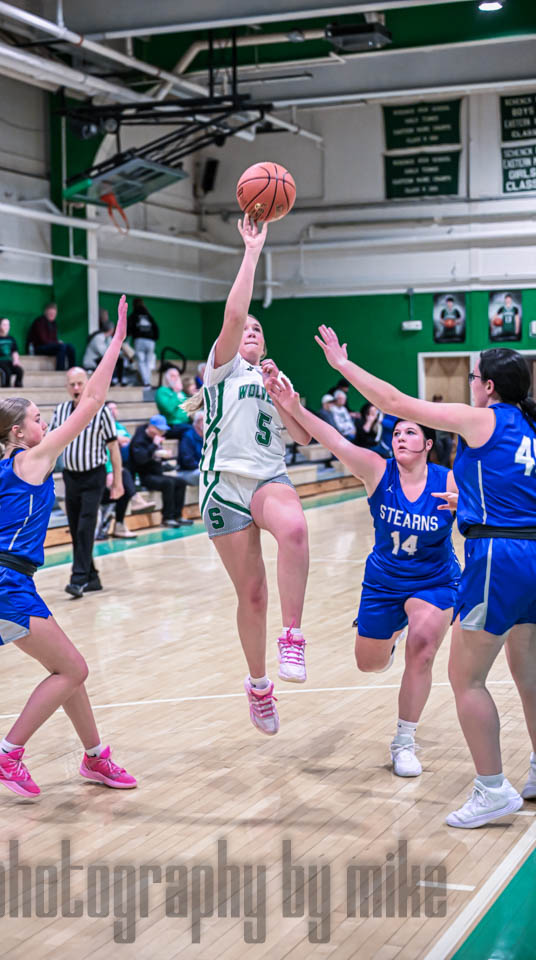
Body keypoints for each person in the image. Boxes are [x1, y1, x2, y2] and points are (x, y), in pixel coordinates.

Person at [316, 325, 536, 828]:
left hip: (498, 559)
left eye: (474, 377)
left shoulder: (484, 418)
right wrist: (473, 501)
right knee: (529, 674)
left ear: (489, 386)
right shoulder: (531, 428)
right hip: (533, 552)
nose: (471, 384)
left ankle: (491, 788)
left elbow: (395, 401)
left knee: (466, 678)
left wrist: (343, 366)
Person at [0, 295, 136, 798]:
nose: (44, 423)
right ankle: (6, 753)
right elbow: (91, 402)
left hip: (5, 581)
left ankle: (95, 757)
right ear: (17, 432)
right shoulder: (30, 459)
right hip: (1, 583)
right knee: (74, 668)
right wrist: (116, 340)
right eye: (36, 418)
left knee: (67, 669)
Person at [267, 374, 460, 776]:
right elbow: (335, 442)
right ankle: (391, 636)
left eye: (411, 432)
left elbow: (494, 509)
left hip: (435, 580)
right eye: (397, 432)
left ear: (428, 444)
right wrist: (294, 407)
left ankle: (404, 741)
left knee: (423, 647)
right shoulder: (376, 470)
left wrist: (467, 507)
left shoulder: (449, 480)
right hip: (384, 582)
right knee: (368, 664)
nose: (400, 437)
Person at [194, 215, 312, 737]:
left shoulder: (275, 378)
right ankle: (259, 685)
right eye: (245, 328)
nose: (249, 331)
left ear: (264, 343)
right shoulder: (221, 369)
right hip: (223, 485)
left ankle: (293, 637)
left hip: (268, 477)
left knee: (296, 530)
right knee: (253, 594)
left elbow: (302, 438)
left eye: (257, 330)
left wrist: (288, 400)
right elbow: (234, 312)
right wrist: (252, 251)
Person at [49, 367, 123, 597]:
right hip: (71, 476)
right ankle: (92, 578)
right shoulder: (61, 411)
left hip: (94, 475)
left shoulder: (101, 411)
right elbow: (51, 442)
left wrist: (118, 481)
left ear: (87, 384)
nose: (76, 388)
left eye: (80, 383)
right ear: (66, 387)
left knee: (85, 527)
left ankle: (78, 578)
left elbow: (113, 447)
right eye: (72, 384)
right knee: (75, 529)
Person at [128, 415, 192, 529]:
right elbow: (140, 460)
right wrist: (154, 445)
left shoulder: (156, 437)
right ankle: (167, 518)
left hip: (157, 474)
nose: (162, 432)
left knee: (181, 482)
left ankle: (177, 516)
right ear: (151, 427)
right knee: (168, 483)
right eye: (160, 429)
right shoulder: (139, 439)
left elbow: (156, 456)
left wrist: (164, 455)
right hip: (145, 476)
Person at [27, 303, 76, 371]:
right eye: (51, 313)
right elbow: (43, 340)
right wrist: (57, 342)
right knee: (61, 347)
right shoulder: (40, 322)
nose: (52, 315)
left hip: (49, 346)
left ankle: (72, 370)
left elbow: (53, 339)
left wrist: (57, 342)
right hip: (39, 348)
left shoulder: (54, 323)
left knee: (70, 347)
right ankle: (60, 370)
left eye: (54, 313)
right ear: (46, 312)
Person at [127, 298, 159, 387]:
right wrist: (154, 338)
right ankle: (148, 381)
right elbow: (156, 327)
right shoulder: (149, 315)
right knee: (148, 362)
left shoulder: (134, 315)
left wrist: (129, 335)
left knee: (141, 361)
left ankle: (146, 382)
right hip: (151, 341)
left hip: (139, 339)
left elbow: (129, 327)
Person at [0, 317, 24, 388]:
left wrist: (16, 361)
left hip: (9, 362)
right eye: (4, 325)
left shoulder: (11, 339)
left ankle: (18, 385)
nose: (7, 327)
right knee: (7, 372)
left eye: (8, 325)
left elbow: (15, 352)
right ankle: (6, 386)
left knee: (19, 371)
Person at [155, 367, 192, 439]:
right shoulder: (162, 391)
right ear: (167, 378)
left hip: (186, 423)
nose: (176, 378)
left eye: (177, 376)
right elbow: (169, 410)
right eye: (173, 376)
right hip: (171, 425)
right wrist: (176, 392)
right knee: (190, 432)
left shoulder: (181, 393)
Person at [176, 412, 204, 486]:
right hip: (187, 472)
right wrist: (204, 466)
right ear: (197, 422)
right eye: (203, 420)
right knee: (206, 475)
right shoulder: (188, 436)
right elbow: (188, 461)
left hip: (201, 469)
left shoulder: (207, 437)